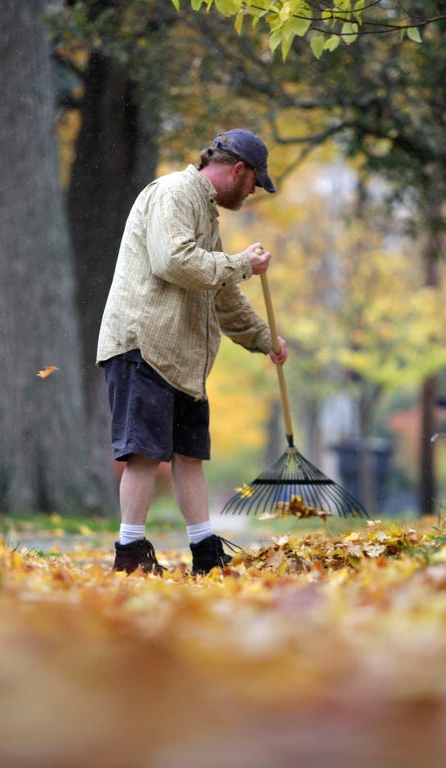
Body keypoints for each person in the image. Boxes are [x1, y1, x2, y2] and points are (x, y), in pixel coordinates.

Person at [97, 128, 288, 575]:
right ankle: (129, 554)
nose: (252, 192)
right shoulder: (174, 193)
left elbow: (221, 295)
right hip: (143, 345)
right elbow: (174, 261)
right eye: (254, 182)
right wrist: (242, 264)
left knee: (189, 454)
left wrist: (265, 339)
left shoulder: (206, 214)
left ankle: (204, 551)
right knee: (143, 453)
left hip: (182, 357)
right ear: (237, 170)